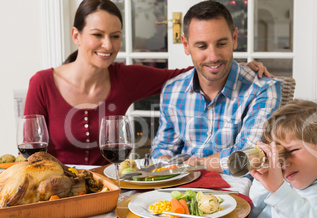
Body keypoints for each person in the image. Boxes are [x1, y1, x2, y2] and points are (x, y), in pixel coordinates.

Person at [24, 0, 271, 166]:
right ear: (76, 36)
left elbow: (194, 67)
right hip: (57, 188)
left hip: (110, 189)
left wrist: (240, 65)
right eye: (97, 35)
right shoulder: (43, 83)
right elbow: (31, 154)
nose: (108, 45)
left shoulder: (125, 77)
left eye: (115, 36)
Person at [151, 1, 281, 175]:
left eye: (221, 44)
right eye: (202, 46)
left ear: (234, 39)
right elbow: (164, 148)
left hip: (237, 193)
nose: (213, 57)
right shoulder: (172, 90)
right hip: (182, 188)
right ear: (185, 45)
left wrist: (195, 164)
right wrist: (166, 168)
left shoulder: (263, 89)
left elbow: (249, 156)